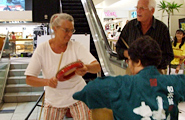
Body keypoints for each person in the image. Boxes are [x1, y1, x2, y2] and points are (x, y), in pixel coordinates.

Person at [73, 36, 185, 120]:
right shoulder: (175, 82)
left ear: (138, 61)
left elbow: (89, 90)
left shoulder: (121, 84)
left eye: (129, 60)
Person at [25, 13, 101, 120]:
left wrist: (86, 68)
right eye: (66, 30)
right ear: (54, 29)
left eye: (72, 30)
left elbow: (97, 67)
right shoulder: (42, 49)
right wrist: (47, 82)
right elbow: (29, 79)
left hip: (78, 94)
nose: (70, 34)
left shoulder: (76, 46)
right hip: (54, 99)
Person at [116, 0, 174, 74]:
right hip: (133, 73)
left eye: (142, 8)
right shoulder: (130, 26)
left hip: (154, 73)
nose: (138, 11)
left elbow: (169, 55)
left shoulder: (162, 29)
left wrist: (151, 63)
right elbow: (119, 48)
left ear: (152, 10)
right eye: (137, 8)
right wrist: (128, 54)